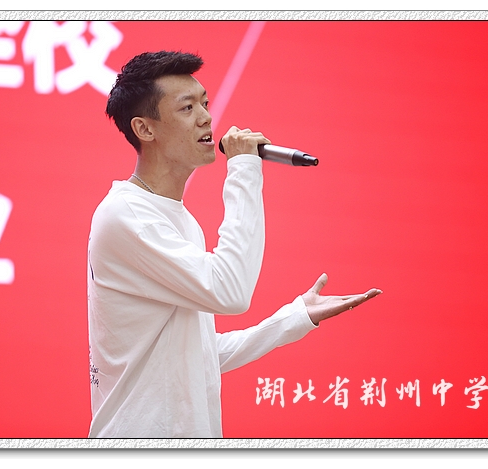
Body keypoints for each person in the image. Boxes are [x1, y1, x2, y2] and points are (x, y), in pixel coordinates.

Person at [87, 50, 382, 438]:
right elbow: (231, 293)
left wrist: (294, 318)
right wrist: (243, 169)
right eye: (187, 108)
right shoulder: (126, 215)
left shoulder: (174, 218)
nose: (206, 117)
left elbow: (197, 355)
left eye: (205, 103)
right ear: (145, 129)